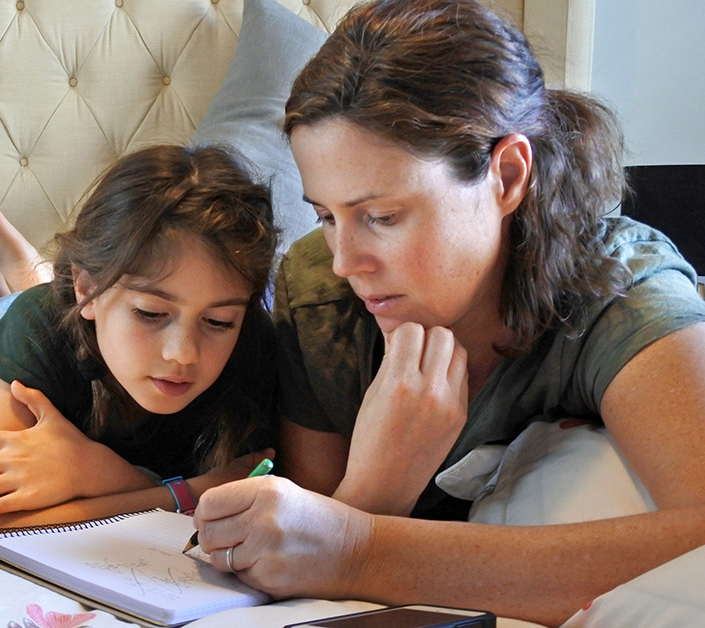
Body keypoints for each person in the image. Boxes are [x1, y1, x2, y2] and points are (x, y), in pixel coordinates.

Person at [189, 0, 705, 624]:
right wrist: (375, 491)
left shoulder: (622, 294)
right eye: (326, 216)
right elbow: (301, 547)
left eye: (381, 217)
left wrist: (363, 548)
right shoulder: (319, 292)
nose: (347, 261)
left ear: (508, 175)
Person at [0, 133, 280, 533]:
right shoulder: (39, 325)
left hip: (74, 313)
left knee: (44, 307)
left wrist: (105, 474)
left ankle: (9, 256)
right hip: (40, 329)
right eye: (151, 313)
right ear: (86, 287)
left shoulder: (256, 345)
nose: (183, 355)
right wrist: (180, 494)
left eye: (218, 322)